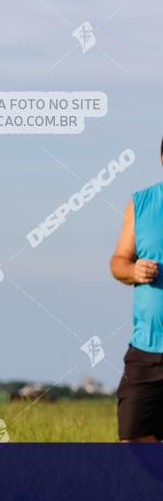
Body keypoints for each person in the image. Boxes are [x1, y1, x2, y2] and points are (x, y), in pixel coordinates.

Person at [110, 140, 163, 442]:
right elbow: (118, 261)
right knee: (132, 438)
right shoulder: (141, 204)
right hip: (146, 350)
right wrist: (133, 271)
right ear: (161, 156)